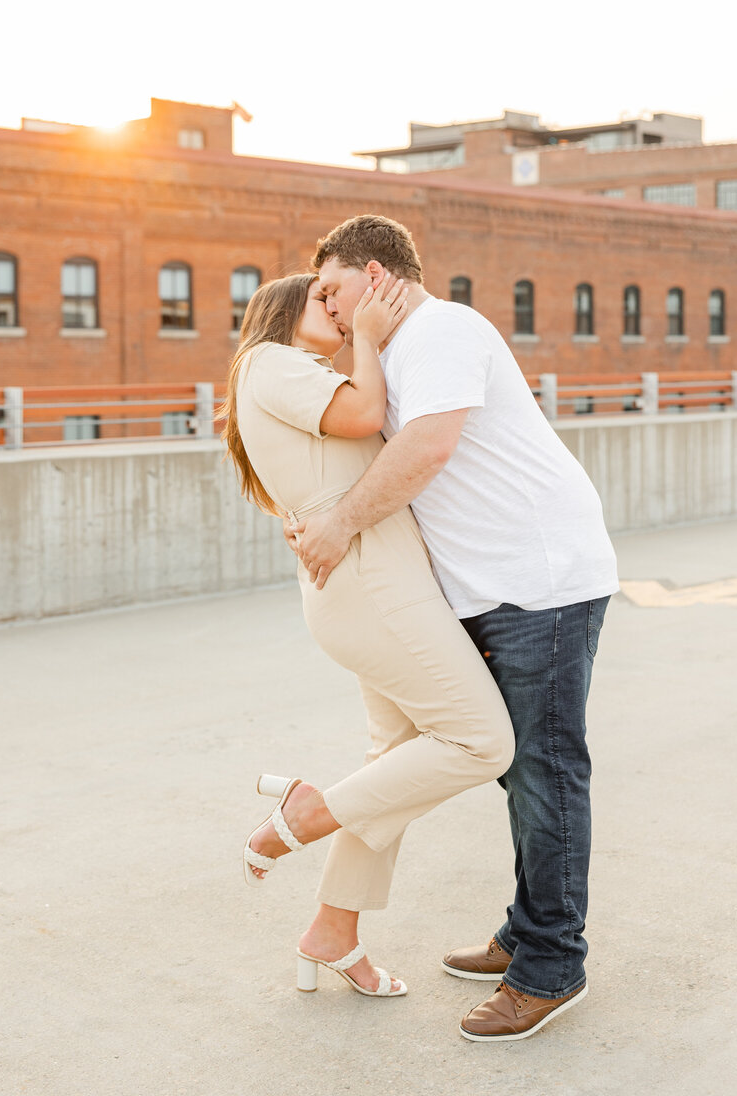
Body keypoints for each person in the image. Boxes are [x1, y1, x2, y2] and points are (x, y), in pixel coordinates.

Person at [289, 214, 619, 1042]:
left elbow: (429, 448)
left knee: (544, 773)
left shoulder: (441, 330)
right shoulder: (389, 353)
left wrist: (339, 528)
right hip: (493, 590)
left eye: (332, 288)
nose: (326, 307)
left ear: (375, 274)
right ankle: (527, 932)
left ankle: (552, 967)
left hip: (540, 582)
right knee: (520, 774)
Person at [219, 271, 514, 1000]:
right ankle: (304, 813)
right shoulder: (270, 360)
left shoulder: (294, 373)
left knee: (395, 758)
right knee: (482, 741)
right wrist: (373, 341)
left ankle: (333, 930)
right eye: (321, 299)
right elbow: (362, 415)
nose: (338, 309)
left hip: (372, 575)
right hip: (370, 579)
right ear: (282, 311)